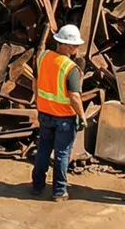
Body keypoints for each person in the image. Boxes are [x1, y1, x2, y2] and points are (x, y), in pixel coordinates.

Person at [32, 24, 87, 202]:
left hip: (45, 113)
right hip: (64, 118)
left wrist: (38, 102)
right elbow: (74, 96)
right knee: (62, 154)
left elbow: (35, 81)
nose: (76, 49)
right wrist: (82, 116)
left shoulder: (42, 57)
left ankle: (37, 185)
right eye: (75, 46)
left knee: (43, 150)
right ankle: (59, 191)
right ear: (68, 46)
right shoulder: (70, 68)